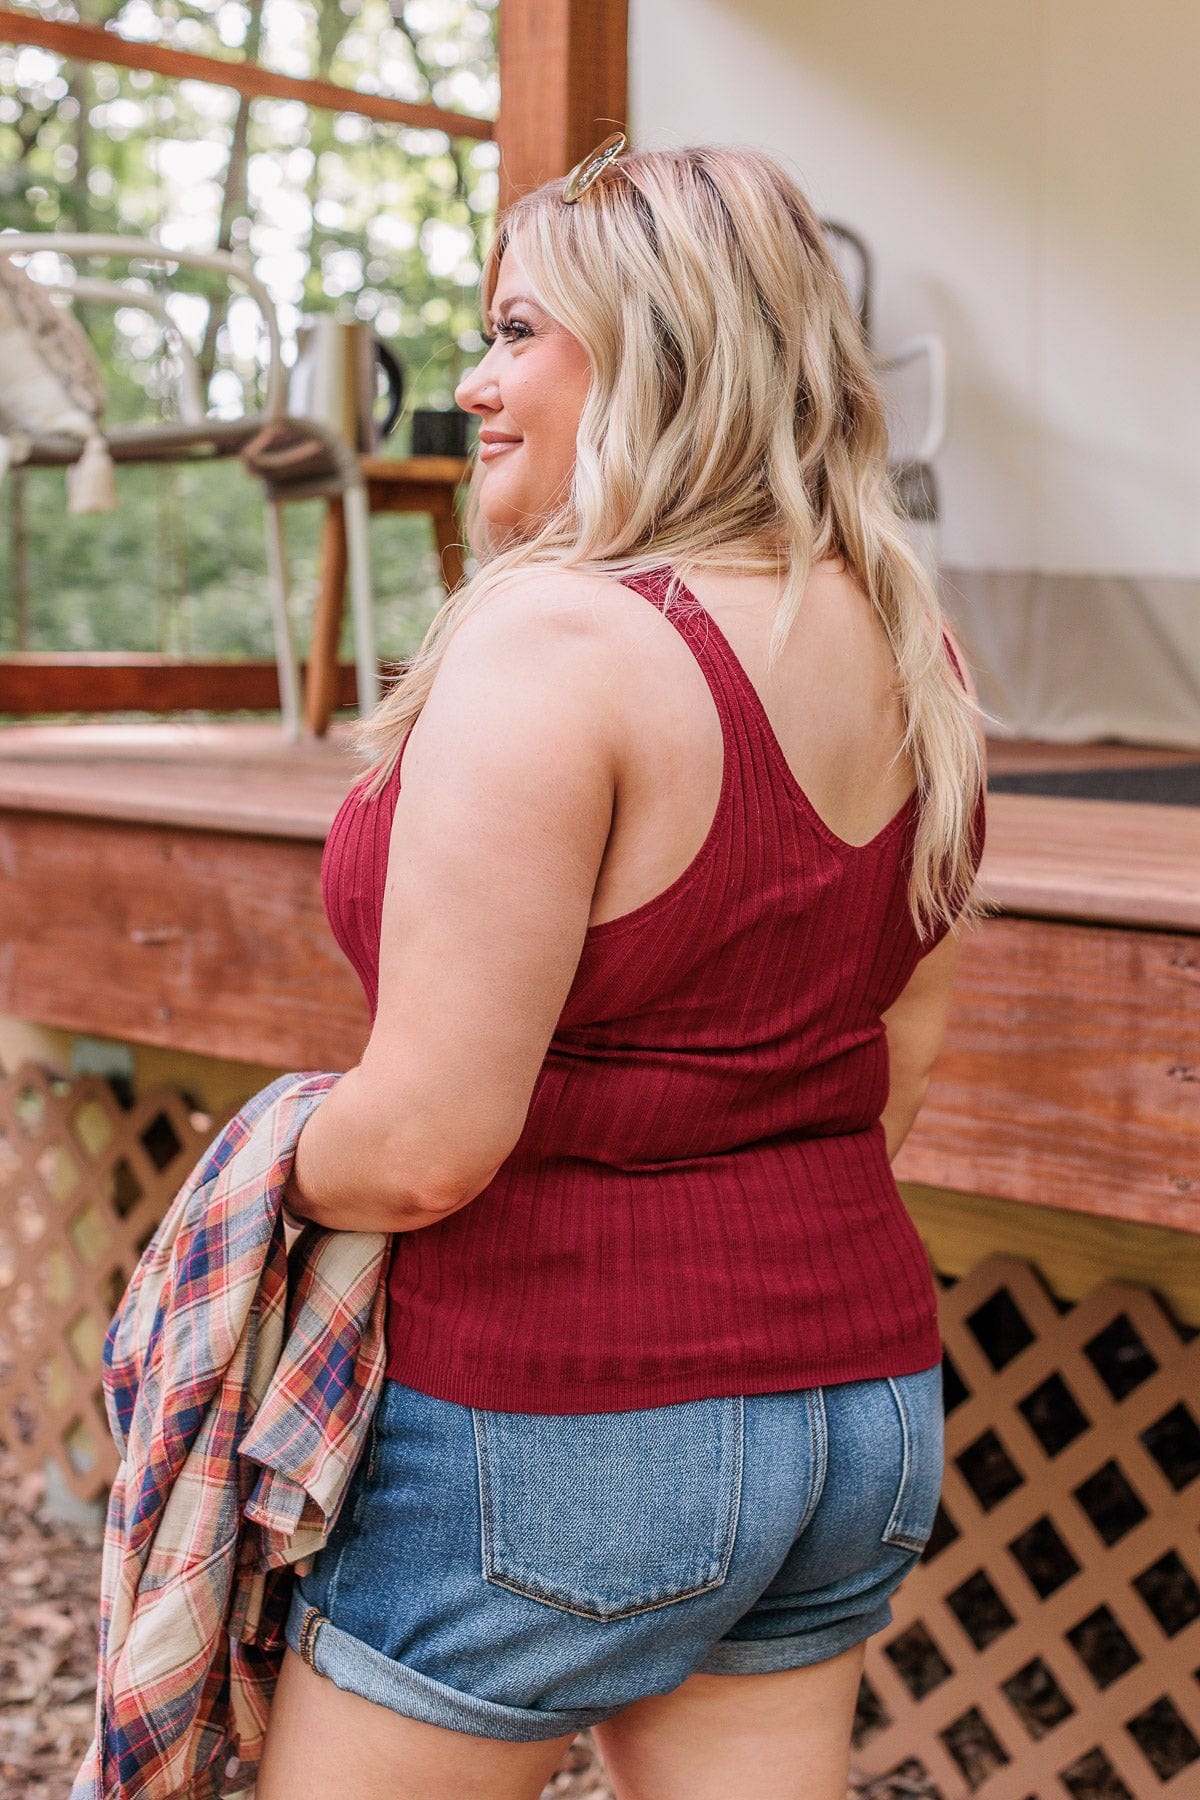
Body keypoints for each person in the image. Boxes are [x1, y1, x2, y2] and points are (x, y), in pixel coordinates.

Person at [257, 140, 987, 1800]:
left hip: (559, 1403)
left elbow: (432, 1141)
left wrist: (254, 1169)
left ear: (659, 348)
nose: (474, 381)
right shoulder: (911, 647)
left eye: (518, 332)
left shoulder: (558, 639)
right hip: (855, 1396)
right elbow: (901, 1074)